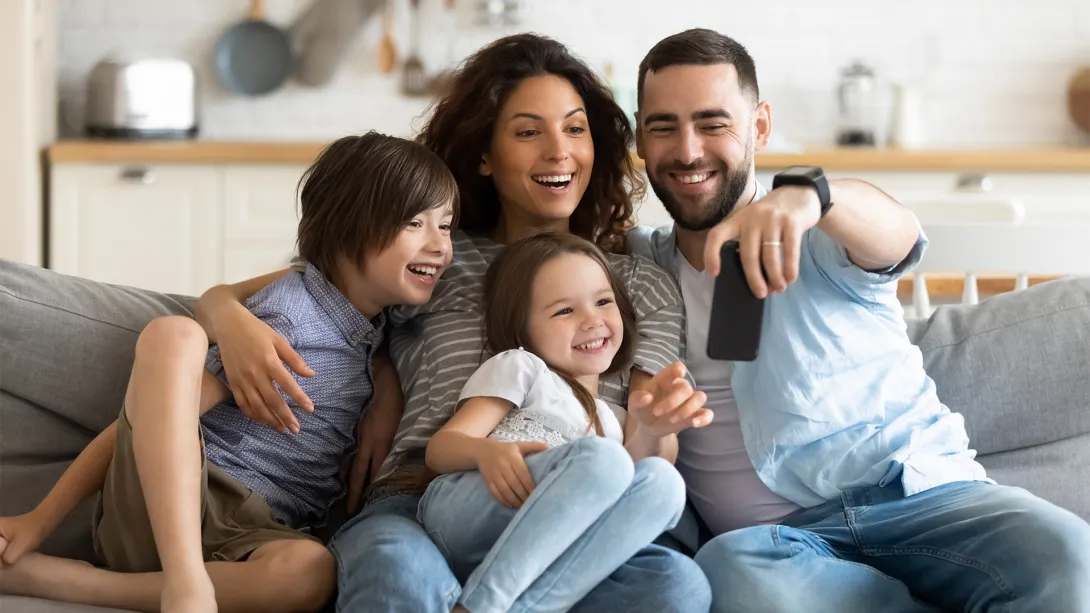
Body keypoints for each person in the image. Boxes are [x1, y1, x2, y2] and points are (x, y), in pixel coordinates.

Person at [191, 34, 713, 613]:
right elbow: (307, 295)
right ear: (484, 154)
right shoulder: (434, 254)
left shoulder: (638, 283)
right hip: (419, 501)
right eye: (528, 132)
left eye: (575, 128)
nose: (558, 151)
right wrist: (372, 370)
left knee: (674, 586)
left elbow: (651, 448)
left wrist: (656, 426)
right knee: (397, 571)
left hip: (575, 513)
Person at [627, 28, 1090, 612]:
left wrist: (814, 196)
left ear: (760, 127)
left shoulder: (819, 232)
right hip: (785, 548)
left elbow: (898, 235)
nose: (688, 150)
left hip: (924, 498)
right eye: (663, 127)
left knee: (1068, 553)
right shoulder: (636, 272)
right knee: (730, 571)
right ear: (639, 137)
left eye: (713, 123)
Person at [0, 132, 459, 613]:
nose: (441, 246)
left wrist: (384, 374)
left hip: (254, 531)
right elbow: (150, 420)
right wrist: (39, 520)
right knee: (175, 335)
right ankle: (184, 583)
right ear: (347, 225)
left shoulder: (380, 326)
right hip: (182, 500)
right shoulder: (289, 315)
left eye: (446, 226)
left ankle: (73, 581)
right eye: (415, 223)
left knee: (312, 571)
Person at [420, 233, 692, 613]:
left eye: (603, 301)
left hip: (544, 541)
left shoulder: (614, 419)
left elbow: (628, 485)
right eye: (565, 311)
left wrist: (650, 428)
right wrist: (484, 453)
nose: (592, 320)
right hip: (470, 508)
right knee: (605, 460)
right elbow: (441, 448)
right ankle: (481, 606)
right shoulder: (523, 367)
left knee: (665, 484)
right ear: (523, 329)